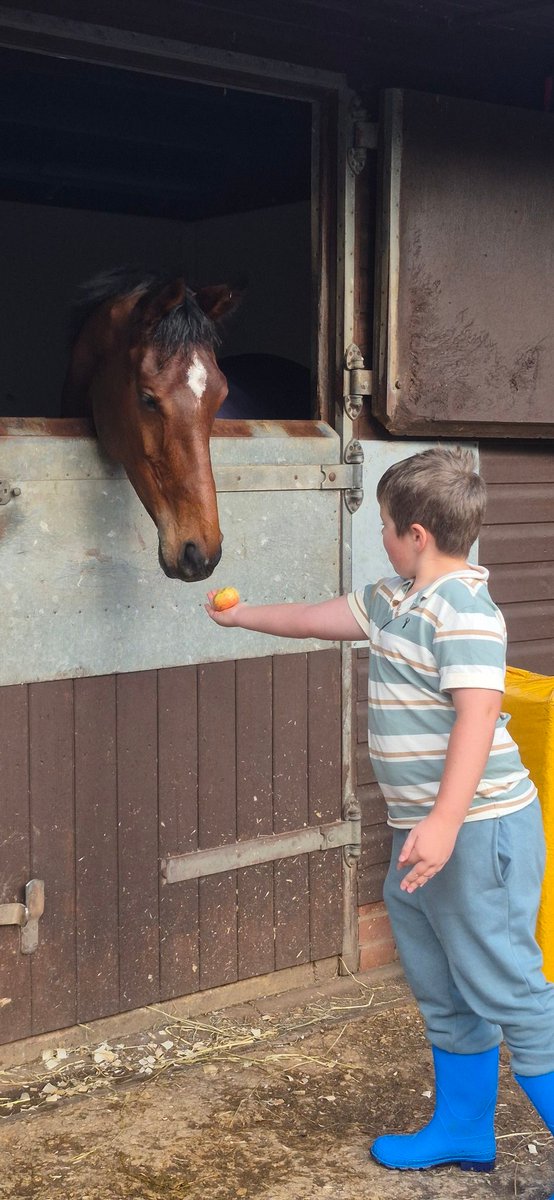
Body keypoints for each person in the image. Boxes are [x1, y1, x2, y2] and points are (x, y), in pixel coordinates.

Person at [205, 445, 554, 1190]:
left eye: (388, 528)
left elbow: (477, 717)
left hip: (477, 829)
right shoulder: (398, 598)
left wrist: (443, 823)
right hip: (425, 832)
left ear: (417, 533)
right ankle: (464, 1127)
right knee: (441, 981)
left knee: (511, 989)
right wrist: (242, 621)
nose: (385, 541)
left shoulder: (466, 612)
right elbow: (316, 618)